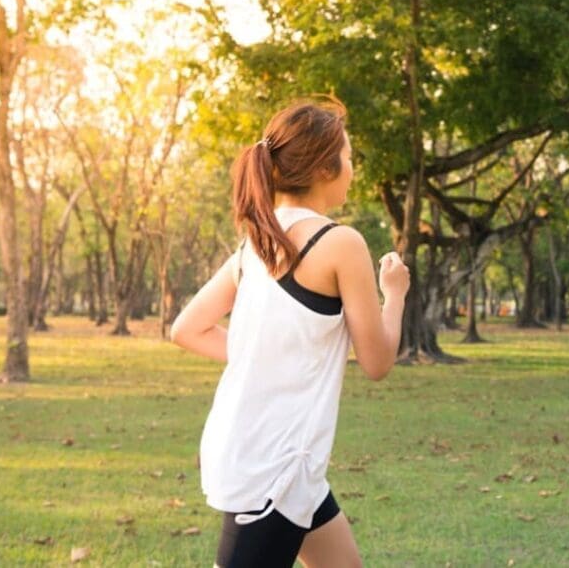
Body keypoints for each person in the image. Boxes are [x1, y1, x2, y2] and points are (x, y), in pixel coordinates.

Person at [169, 96, 410, 567]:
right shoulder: (340, 242)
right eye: (349, 157)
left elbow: (187, 329)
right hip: (272, 469)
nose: (352, 168)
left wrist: (264, 357)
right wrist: (395, 293)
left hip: (278, 460)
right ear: (324, 167)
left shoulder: (255, 243)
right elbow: (378, 361)